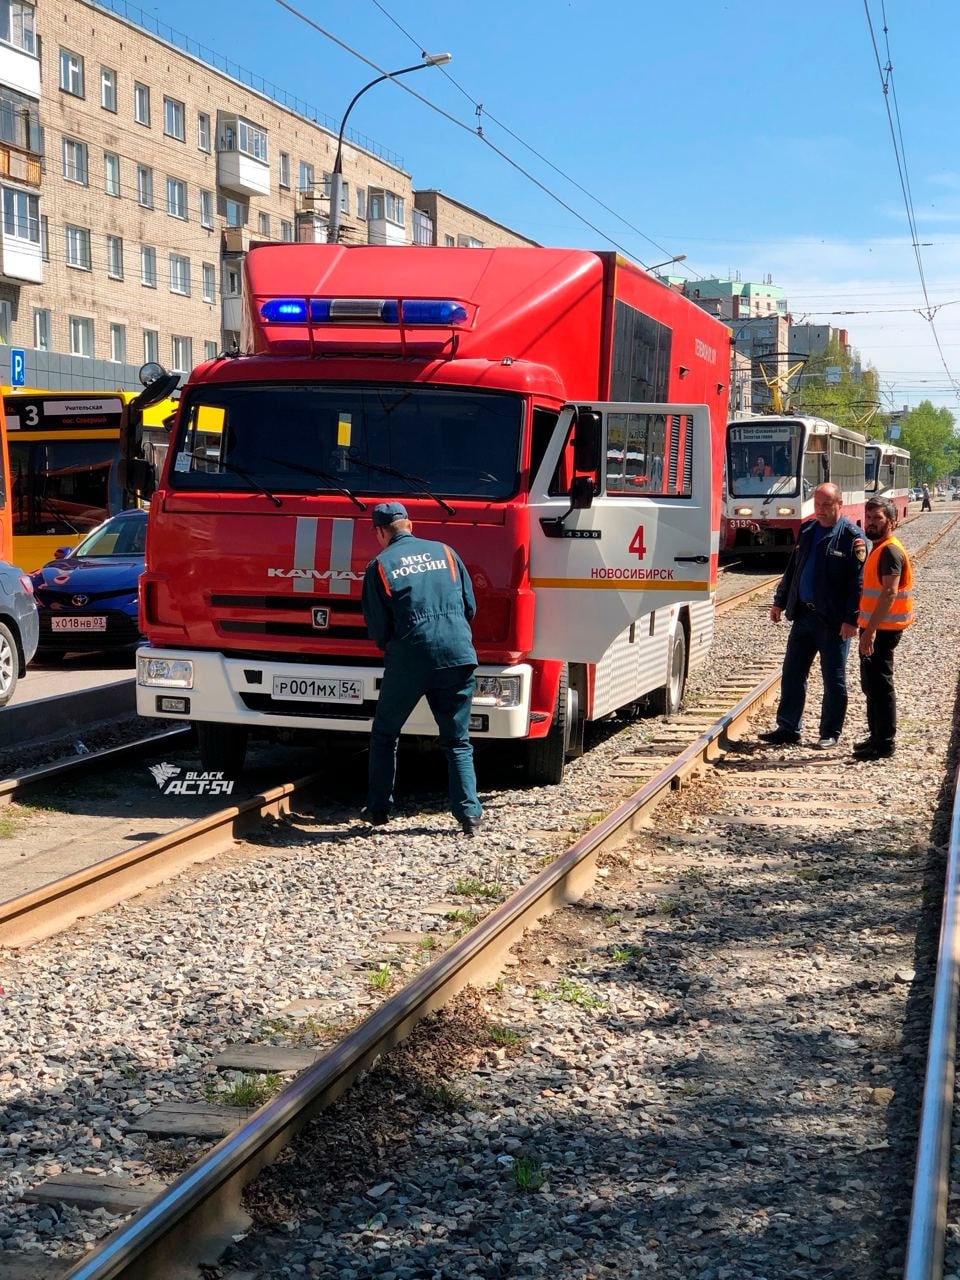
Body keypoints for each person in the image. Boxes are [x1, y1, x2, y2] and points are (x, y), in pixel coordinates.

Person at [360, 502, 483, 835]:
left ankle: (379, 809)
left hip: (410, 658)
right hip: (458, 652)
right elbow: (469, 605)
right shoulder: (446, 552)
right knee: (457, 740)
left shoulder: (380, 565)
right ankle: (469, 816)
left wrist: (402, 650)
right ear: (410, 525)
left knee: (386, 733)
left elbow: (378, 629)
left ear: (380, 532)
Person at [759, 483, 867, 749]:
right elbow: (794, 569)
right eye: (817, 504)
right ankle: (788, 727)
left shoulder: (853, 538)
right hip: (803, 617)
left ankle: (829, 732)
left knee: (834, 678)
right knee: (793, 673)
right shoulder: (808, 530)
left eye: (827, 505)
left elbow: (858, 583)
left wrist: (852, 619)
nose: (821, 510)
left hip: (833, 622)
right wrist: (780, 601)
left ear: (839, 504)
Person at [854, 497, 914, 760]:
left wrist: (870, 631)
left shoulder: (889, 550)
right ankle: (875, 736)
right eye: (869, 517)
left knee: (880, 684)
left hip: (882, 629)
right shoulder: (879, 547)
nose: (872, 523)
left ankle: (885, 743)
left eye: (878, 518)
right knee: (871, 684)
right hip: (875, 627)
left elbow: (889, 593)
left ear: (892, 521)